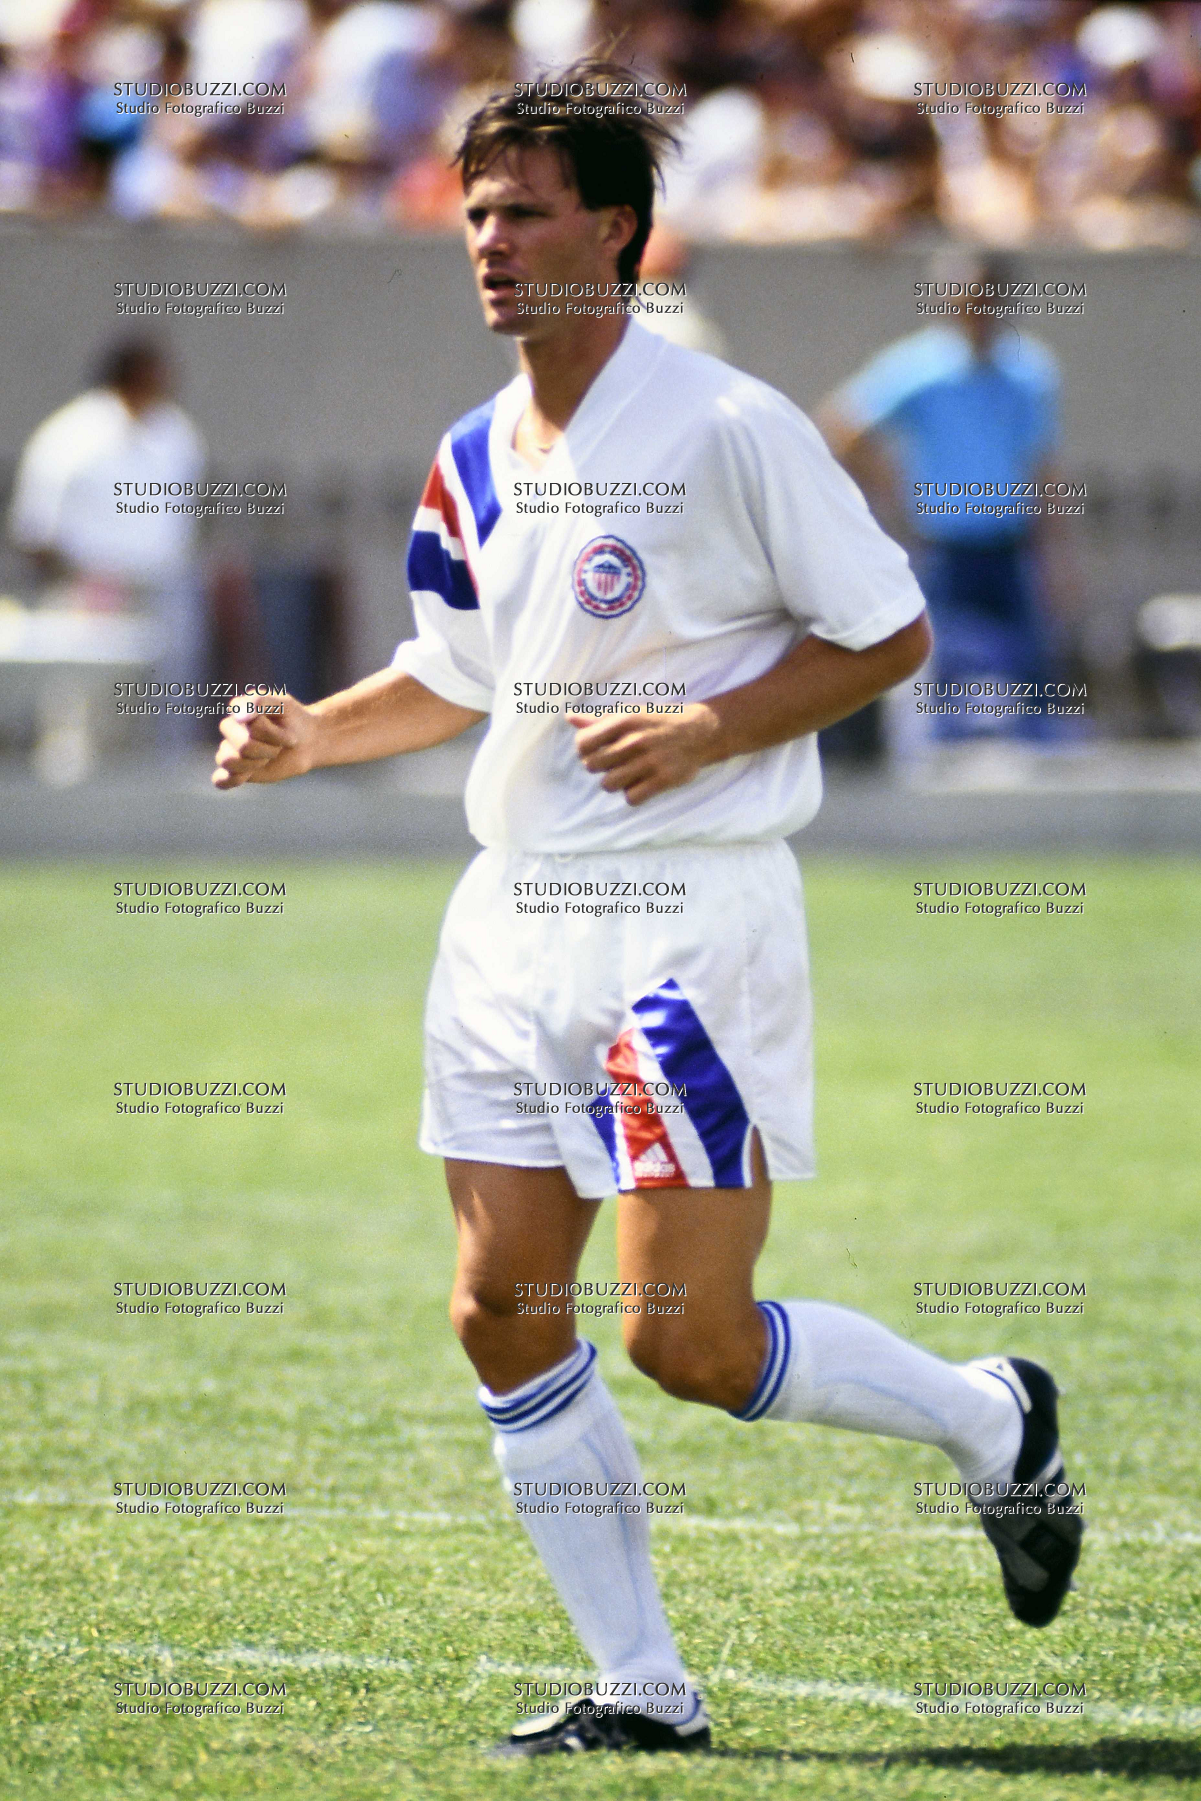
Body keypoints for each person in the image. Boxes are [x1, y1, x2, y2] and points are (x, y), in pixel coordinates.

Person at [212, 63, 1084, 1758]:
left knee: (686, 1337)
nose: (489, 240)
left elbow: (889, 629)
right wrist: (313, 733)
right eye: (476, 211)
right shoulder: (471, 454)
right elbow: (453, 671)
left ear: (613, 230)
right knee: (497, 1309)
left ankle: (993, 1420)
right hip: (507, 922)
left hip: (684, 920)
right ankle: (642, 1686)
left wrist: (707, 728)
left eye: (525, 211)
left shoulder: (726, 427)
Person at [816, 253, 1081, 746]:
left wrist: (1055, 555)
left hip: (1010, 544)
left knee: (1032, 668)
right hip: (945, 547)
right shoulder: (920, 367)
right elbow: (843, 426)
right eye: (964, 298)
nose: (974, 309)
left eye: (984, 298)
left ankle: (1040, 757)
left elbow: (1041, 464)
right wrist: (894, 490)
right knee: (937, 666)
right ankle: (934, 756)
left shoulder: (1029, 371)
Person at [8, 336, 208, 765]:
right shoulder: (71, 435)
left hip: (162, 588)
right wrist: (77, 587)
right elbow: (35, 531)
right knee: (85, 713)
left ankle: (159, 792)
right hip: (92, 589)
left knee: (163, 706)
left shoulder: (176, 432)